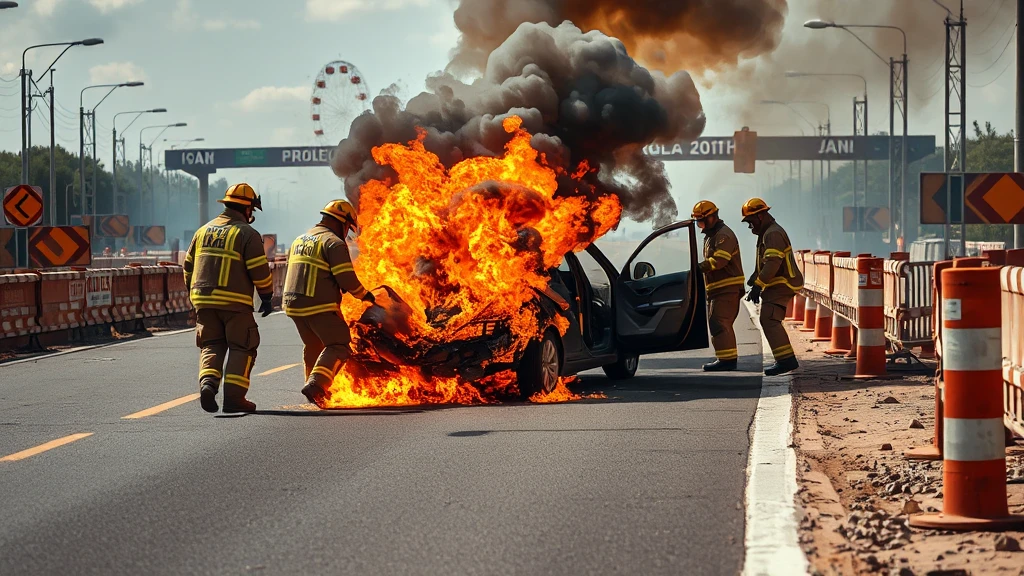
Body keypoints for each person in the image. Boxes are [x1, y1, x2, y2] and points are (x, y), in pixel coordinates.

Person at [184, 183, 274, 414]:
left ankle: (208, 384)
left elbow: (188, 267)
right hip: (234, 303)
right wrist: (266, 296)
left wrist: (194, 296)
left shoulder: (202, 231)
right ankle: (234, 399)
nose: (252, 214)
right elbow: (259, 270)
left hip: (203, 301)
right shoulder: (247, 234)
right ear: (246, 209)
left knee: (211, 344)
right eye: (251, 210)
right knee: (242, 346)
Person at [283, 200, 375, 406]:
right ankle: (317, 384)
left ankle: (312, 387)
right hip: (319, 304)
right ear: (341, 222)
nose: (346, 233)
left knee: (313, 345)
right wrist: (365, 295)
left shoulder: (301, 239)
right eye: (347, 228)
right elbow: (346, 278)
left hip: (292, 304)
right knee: (339, 344)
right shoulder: (333, 242)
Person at [741, 198, 804, 376]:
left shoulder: (772, 234)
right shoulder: (766, 233)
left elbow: (773, 263)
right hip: (778, 283)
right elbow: (764, 263)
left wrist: (758, 286)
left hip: (783, 283)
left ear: (760, 216)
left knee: (769, 319)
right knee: (768, 319)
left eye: (750, 222)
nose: (750, 226)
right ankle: (785, 360)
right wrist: (755, 279)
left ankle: (786, 361)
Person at [692, 200, 745, 372]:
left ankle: (727, 361)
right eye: (697, 222)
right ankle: (724, 358)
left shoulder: (723, 235)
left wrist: (699, 267)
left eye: (701, 221)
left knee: (720, 322)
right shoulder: (711, 236)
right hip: (718, 289)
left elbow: (720, 260)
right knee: (717, 323)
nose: (700, 225)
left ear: (712, 217)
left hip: (727, 288)